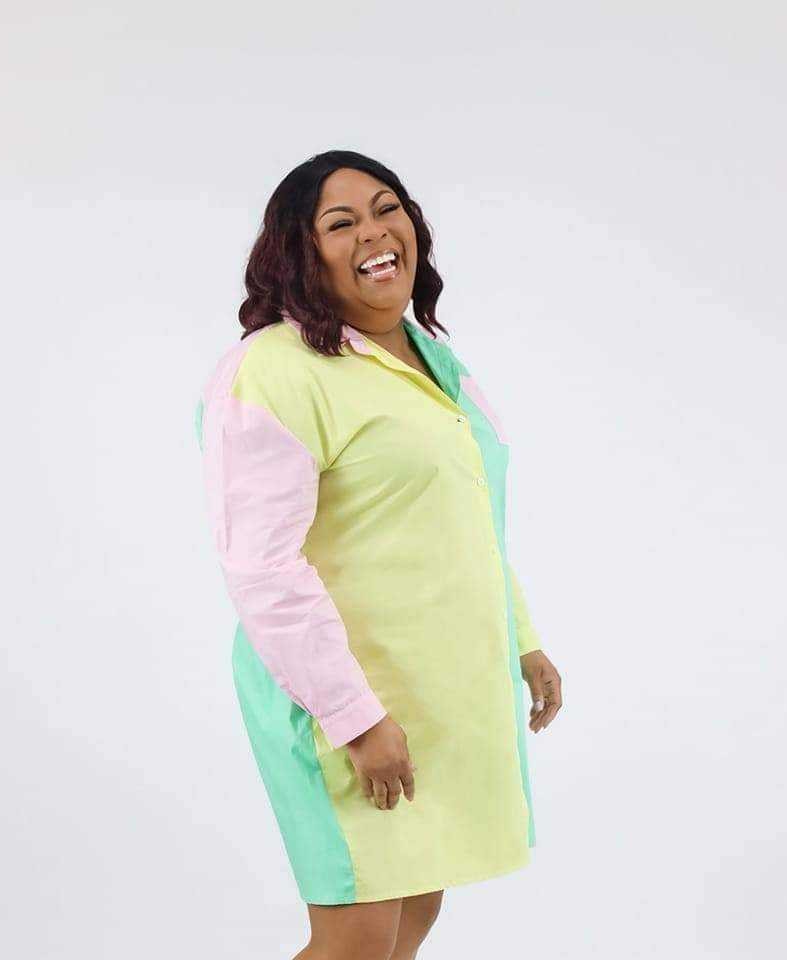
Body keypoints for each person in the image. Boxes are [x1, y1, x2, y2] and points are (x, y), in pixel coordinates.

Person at [195, 149, 563, 960]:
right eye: (340, 223)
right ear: (301, 252)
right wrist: (355, 720)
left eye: (386, 208)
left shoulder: (433, 358)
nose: (373, 232)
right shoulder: (274, 370)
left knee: (412, 915)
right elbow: (261, 568)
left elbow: (465, 518)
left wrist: (523, 639)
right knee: (356, 937)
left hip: (440, 692)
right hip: (341, 697)